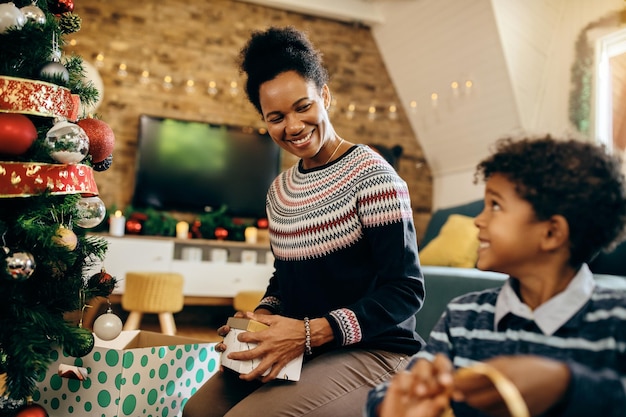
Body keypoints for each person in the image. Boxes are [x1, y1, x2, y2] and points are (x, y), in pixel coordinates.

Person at [182, 26, 425, 417]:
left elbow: (405, 291)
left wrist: (311, 333)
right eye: (275, 117)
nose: (292, 126)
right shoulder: (279, 191)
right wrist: (264, 313)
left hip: (375, 350)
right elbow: (286, 279)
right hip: (301, 346)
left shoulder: (373, 176)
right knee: (197, 411)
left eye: (303, 107)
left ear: (325, 96)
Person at [365, 135, 626, 417]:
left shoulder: (616, 319)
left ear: (551, 233)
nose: (478, 219)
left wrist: (565, 386)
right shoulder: (464, 316)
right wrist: (394, 403)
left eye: (496, 205)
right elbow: (390, 391)